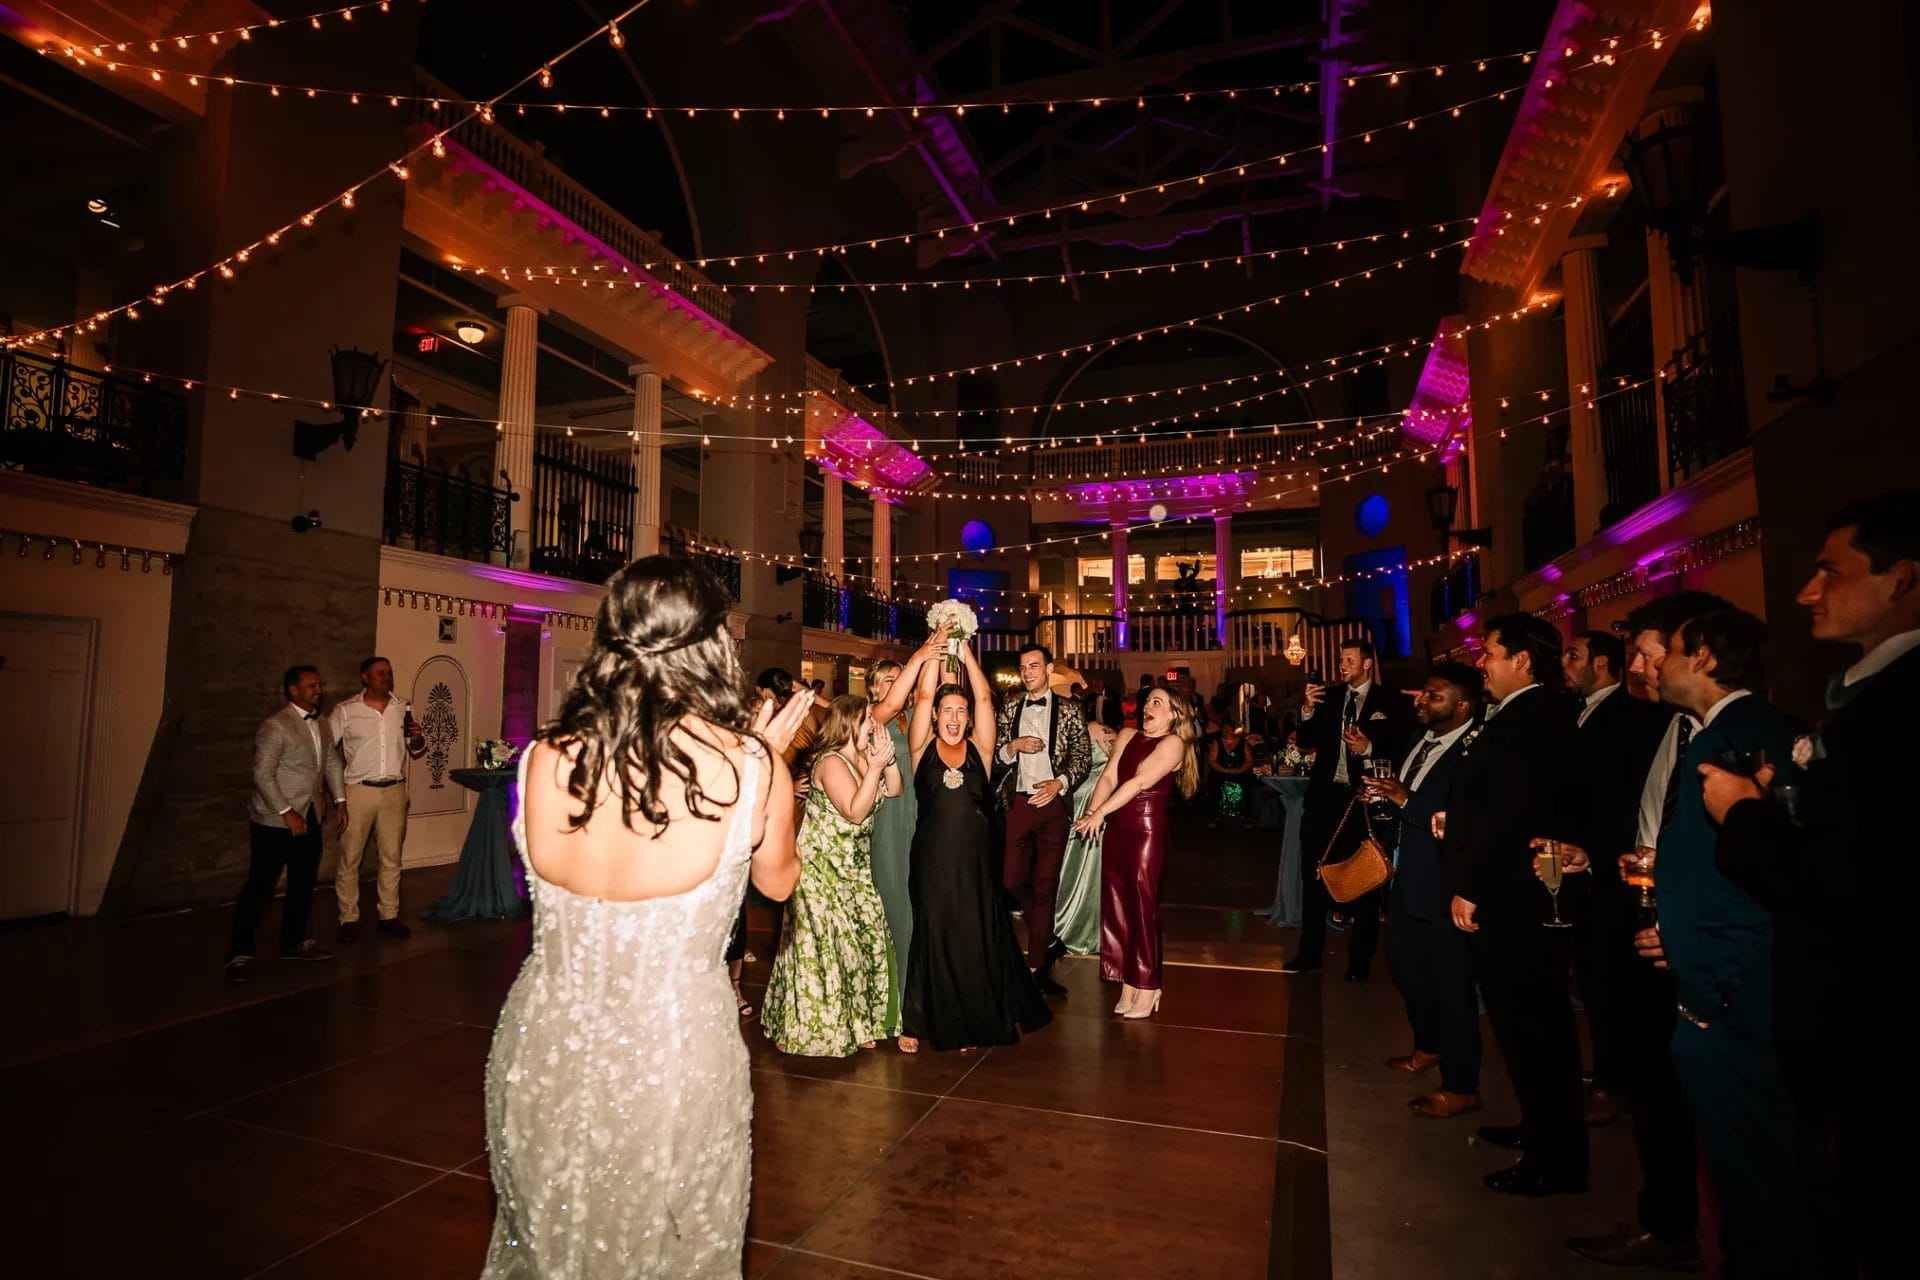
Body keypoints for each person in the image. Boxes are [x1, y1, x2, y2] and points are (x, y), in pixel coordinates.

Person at [483, 556, 812, 1277]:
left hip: (547, 1042)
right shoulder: (750, 766)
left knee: (549, 1243)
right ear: (715, 643)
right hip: (673, 1055)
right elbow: (780, 883)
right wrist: (769, 763)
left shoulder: (542, 757)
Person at [1703, 491, 1918, 1278]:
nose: (1806, 592)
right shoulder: (1864, 698)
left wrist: (1743, 814)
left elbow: (1844, 878)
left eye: (1830, 571)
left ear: (1902, 579)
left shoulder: (1892, 709)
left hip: (1876, 1026)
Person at [1638, 608, 1816, 1275]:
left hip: (1734, 999)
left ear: (1705, 658)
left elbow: (1753, 886)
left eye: (1670, 652)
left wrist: (1704, 990)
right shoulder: (1747, 730)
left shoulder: (1733, 742)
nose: (1656, 666)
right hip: (1734, 982)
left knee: (1758, 1183)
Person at [1559, 590, 1730, 1268]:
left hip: (1699, 946)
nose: (1640, 667)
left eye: (1654, 655)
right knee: (1658, 1085)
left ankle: (1685, 1226)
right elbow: (1641, 815)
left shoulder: (1734, 737)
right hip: (1644, 918)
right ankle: (1667, 1217)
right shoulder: (1663, 725)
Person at [1446, 614, 1587, 1195]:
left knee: (1534, 1027)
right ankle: (1539, 1128)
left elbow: (1512, 813)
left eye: (1489, 653)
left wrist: (1472, 885)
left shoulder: (1531, 718)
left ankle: (1555, 1159)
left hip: (1515, 896)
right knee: (1525, 1025)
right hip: (1514, 890)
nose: (1481, 663)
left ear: (1522, 660)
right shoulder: (1525, 714)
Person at [901, 638, 1052, 1054]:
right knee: (932, 933)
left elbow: (985, 696)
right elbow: (924, 694)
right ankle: (918, 1021)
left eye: (961, 711)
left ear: (969, 719)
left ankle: (969, 1020)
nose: (954, 717)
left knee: (972, 935)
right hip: (932, 860)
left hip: (975, 862)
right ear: (934, 715)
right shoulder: (921, 748)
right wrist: (933, 651)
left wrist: (965, 649)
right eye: (947, 710)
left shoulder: (980, 751)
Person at [1362, 663, 1482, 1117]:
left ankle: (1462, 1084)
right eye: (1423, 694)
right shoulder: (1421, 739)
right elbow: (1407, 796)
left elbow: (1461, 817)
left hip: (1444, 883)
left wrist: (1404, 799)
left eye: (1434, 696)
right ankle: (1428, 1045)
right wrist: (1383, 799)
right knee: (1405, 966)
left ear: (1463, 705)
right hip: (1406, 876)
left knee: (1452, 984)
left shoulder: (1473, 751)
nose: (1422, 701)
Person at [1562, 629, 1671, 1128]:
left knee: (1611, 979)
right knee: (1592, 974)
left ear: (1600, 663)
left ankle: (1617, 1080)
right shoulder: (1577, 711)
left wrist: (1598, 854)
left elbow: (1621, 800)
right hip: (1584, 866)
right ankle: (1610, 1069)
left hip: (1613, 869)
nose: (1566, 664)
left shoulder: (1630, 716)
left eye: (1574, 655)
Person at [762, 695, 903, 1057]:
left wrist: (886, 760)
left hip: (854, 870)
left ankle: (859, 1023)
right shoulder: (830, 762)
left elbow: (895, 789)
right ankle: (801, 1025)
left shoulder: (862, 757)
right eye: (867, 717)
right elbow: (855, 812)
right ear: (849, 723)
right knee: (821, 951)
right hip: (821, 871)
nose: (874, 723)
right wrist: (874, 768)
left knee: (859, 946)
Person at [1283, 637, 1409, 979]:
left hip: (1362, 801)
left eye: (1349, 659)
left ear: (1367, 663)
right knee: (1314, 873)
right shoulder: (1329, 697)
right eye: (1340, 659)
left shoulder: (1390, 701)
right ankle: (1309, 953)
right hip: (1324, 799)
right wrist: (1307, 709)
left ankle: (1360, 961)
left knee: (1363, 876)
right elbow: (1306, 741)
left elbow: (1402, 747)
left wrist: (1369, 749)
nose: (1342, 665)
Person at [1073, 687, 1198, 1019]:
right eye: (1148, 701)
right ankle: (1128, 979)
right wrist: (1093, 813)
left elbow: (1139, 782)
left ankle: (1149, 984)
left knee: (1143, 908)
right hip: (1117, 830)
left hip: (1145, 832)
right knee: (1117, 906)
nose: (1148, 706)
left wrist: (1100, 813)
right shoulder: (1128, 735)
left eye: (1158, 702)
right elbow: (1108, 777)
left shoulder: (1173, 743)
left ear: (1174, 714)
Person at [993, 643, 1093, 995]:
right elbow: (996, 756)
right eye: (1023, 667)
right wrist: (1014, 746)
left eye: (1034, 666)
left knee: (1045, 886)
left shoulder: (1070, 709)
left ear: (1049, 670)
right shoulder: (1009, 705)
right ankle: (1047, 937)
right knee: (1010, 881)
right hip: (1019, 803)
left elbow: (1082, 757)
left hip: (1053, 806)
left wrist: (1059, 783)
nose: (1027, 673)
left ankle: (1037, 966)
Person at [227, 665, 337, 980]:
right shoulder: (276, 725)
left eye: (320, 684)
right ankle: (239, 952)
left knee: (303, 883)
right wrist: (287, 811)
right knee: (260, 886)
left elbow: (330, 762)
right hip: (274, 820)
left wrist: (340, 801)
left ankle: (293, 942)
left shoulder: (322, 723)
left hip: (310, 814)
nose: (319, 689)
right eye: (311, 685)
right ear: (293, 690)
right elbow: (262, 774)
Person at [863, 635, 949, 1034]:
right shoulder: (869, 718)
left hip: (921, 812)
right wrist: (921, 655)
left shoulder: (914, 715)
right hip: (889, 817)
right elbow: (894, 703)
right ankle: (893, 1008)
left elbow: (932, 694)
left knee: (921, 906)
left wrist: (944, 649)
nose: (897, 684)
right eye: (887, 679)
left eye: (899, 678)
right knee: (895, 904)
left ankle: (921, 998)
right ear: (872, 690)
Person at [325, 656, 427, 942]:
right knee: (351, 858)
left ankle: (389, 915)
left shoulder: (402, 707)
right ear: (364, 677)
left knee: (392, 857)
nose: (386, 677)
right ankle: (348, 918)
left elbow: (416, 748)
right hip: (358, 791)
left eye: (389, 672)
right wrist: (336, 797)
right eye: (380, 673)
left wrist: (418, 737)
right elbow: (326, 752)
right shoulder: (346, 710)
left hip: (394, 791)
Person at [1054, 719, 1118, 955]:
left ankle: (1086, 931)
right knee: (1070, 865)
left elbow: (1120, 764)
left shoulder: (1095, 729)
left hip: (1092, 802)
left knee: (1087, 866)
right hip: (1074, 801)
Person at [1206, 718, 1253, 827]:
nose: (1226, 730)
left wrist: (1241, 769)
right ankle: (1217, 816)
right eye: (1224, 728)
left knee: (1245, 784)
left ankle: (1245, 816)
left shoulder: (1242, 742)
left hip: (1239, 771)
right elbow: (1212, 760)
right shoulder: (1217, 742)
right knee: (1216, 783)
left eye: (1228, 728)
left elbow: (1249, 760)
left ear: (1233, 729)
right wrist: (1223, 769)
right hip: (1221, 771)